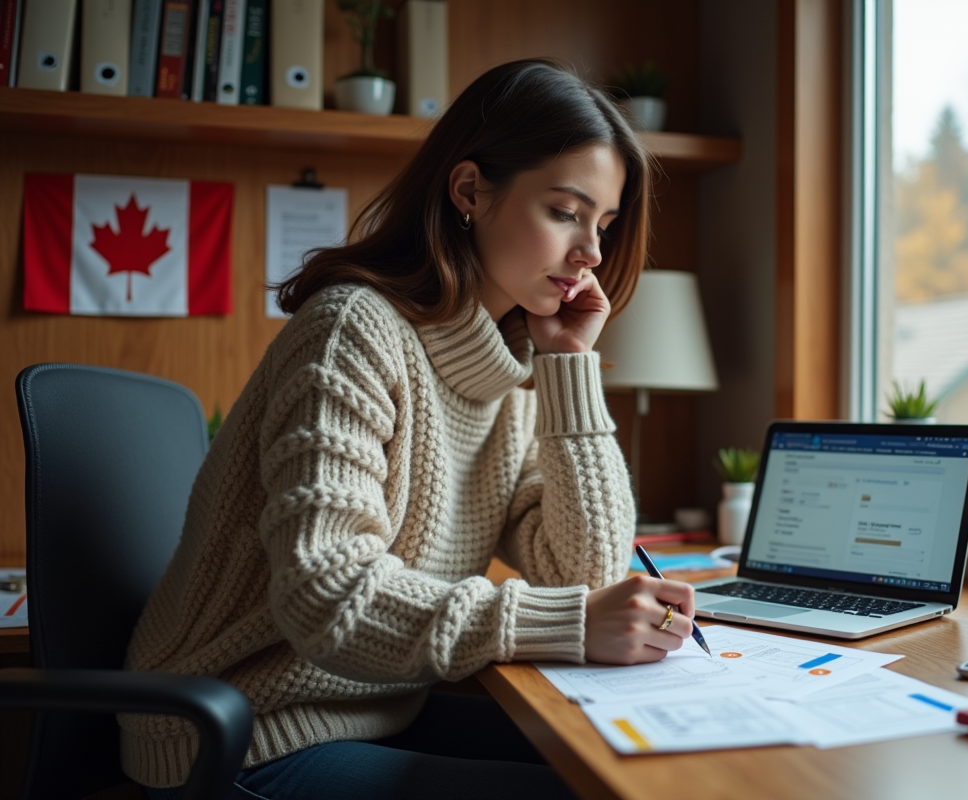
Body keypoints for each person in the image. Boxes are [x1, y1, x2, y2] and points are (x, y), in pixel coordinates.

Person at [120, 59, 698, 800]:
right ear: (469, 191)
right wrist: (571, 623)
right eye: (565, 211)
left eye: (605, 225)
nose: (591, 252)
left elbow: (585, 578)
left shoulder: (515, 371)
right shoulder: (350, 332)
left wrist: (569, 366)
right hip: (240, 733)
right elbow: (327, 595)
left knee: (638, 773)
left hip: (374, 712)